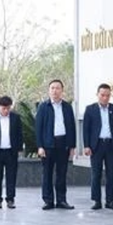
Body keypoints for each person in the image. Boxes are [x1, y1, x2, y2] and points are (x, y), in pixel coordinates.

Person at [35, 79, 77, 210]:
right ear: (49, 90)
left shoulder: (67, 107)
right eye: (52, 88)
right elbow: (38, 128)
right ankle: (48, 200)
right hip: (48, 145)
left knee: (62, 174)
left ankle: (61, 200)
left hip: (63, 144)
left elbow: (71, 127)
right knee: (47, 174)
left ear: (62, 91)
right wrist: (40, 146)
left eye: (57, 88)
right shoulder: (43, 107)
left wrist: (72, 146)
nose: (55, 91)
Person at [82, 83, 113, 211]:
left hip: (111, 145)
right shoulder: (90, 109)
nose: (105, 98)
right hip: (96, 145)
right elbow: (86, 129)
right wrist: (86, 146)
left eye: (108, 95)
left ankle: (110, 201)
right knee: (96, 174)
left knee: (111, 174)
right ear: (97, 95)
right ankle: (96, 200)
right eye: (102, 95)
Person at [0, 96, 24, 209]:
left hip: (11, 152)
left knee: (11, 176)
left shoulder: (16, 118)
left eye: (8, 108)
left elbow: (19, 134)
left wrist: (19, 148)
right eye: (3, 108)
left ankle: (10, 199)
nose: (6, 110)